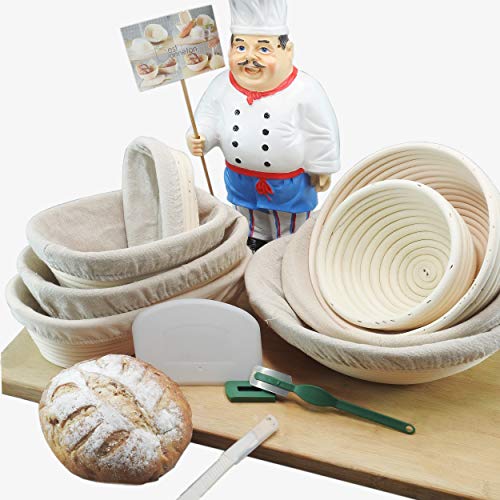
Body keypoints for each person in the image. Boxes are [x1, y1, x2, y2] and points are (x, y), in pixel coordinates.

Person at [187, 0, 340, 252]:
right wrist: (200, 136)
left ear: (287, 51)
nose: (250, 58)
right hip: (240, 179)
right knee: (248, 216)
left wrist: (322, 167)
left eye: (263, 49)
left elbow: (321, 131)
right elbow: (207, 117)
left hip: (287, 185)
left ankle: (288, 250)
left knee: (289, 224)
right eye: (240, 47)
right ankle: (253, 243)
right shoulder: (222, 85)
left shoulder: (305, 90)